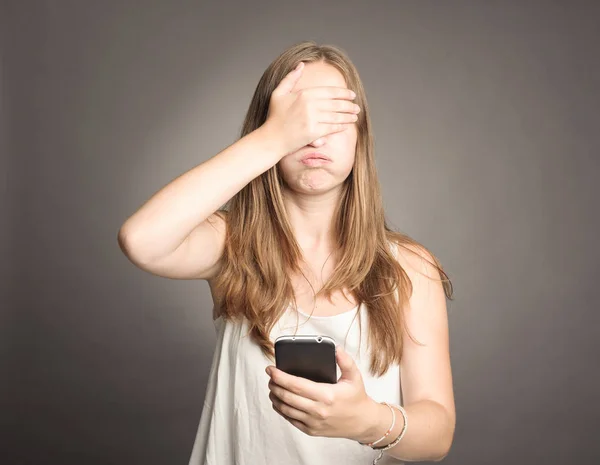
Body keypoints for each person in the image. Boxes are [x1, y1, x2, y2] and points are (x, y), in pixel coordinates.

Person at [118, 40, 456, 465]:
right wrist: (273, 138)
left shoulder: (409, 268)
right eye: (299, 118)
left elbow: (438, 432)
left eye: (333, 118)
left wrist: (367, 421)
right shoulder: (231, 245)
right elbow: (141, 240)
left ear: (360, 136)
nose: (314, 135)